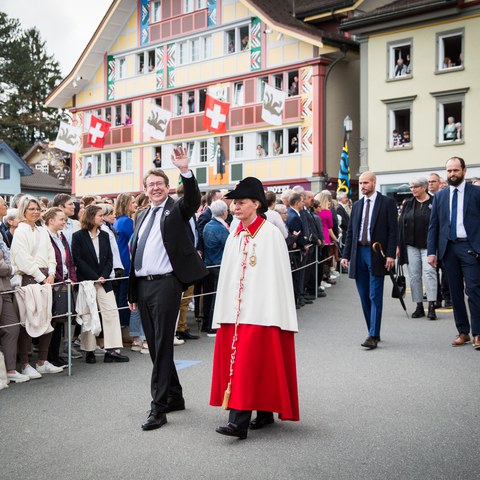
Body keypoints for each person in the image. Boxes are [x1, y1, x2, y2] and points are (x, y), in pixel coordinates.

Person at [210, 177, 299, 440]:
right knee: (245, 363)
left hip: (261, 311)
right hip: (236, 312)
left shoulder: (270, 234)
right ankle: (263, 412)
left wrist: (271, 308)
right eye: (234, 203)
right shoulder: (234, 234)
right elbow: (227, 274)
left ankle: (238, 422)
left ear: (256, 204)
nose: (235, 207)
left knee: (249, 364)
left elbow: (276, 276)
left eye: (241, 203)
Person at [128, 147, 208, 431]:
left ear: (167, 186)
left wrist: (185, 170)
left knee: (161, 346)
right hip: (143, 286)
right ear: (145, 190)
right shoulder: (141, 216)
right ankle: (174, 396)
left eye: (159, 184)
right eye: (150, 185)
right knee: (156, 348)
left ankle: (158, 407)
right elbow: (135, 255)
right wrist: (132, 292)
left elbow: (193, 199)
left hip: (166, 284)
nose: (155, 188)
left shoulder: (175, 210)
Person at [341, 172, 398, 350]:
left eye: (366, 182)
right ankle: (373, 330)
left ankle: (372, 335)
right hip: (359, 253)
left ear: (374, 182)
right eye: (361, 183)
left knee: (375, 294)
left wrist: (390, 255)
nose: (363, 186)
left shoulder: (386, 203)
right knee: (364, 295)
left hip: (376, 252)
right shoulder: (357, 205)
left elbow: (393, 231)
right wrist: (345, 255)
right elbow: (351, 231)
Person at [427, 157, 480, 349]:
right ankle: (463, 332)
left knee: (473, 290)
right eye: (449, 171)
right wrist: (431, 252)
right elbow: (434, 226)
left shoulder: (476, 193)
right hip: (448, 249)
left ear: (464, 171)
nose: (452, 174)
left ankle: (478, 333)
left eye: (456, 170)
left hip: (470, 248)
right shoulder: (441, 196)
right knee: (455, 293)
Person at [10, 196, 63, 378]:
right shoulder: (20, 231)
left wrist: (51, 274)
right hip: (28, 278)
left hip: (46, 278)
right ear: (23, 210)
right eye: (31, 208)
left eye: (37, 208)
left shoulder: (42, 231)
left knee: (47, 318)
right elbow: (22, 259)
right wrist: (41, 277)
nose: (35, 212)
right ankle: (24, 363)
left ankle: (42, 360)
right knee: (28, 320)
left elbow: (52, 255)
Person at [71, 205, 129, 364]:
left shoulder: (104, 235)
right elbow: (78, 260)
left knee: (111, 312)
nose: (102, 218)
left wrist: (103, 275)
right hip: (88, 282)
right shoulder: (78, 236)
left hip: (104, 281)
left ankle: (112, 350)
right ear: (90, 217)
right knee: (88, 314)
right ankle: (89, 350)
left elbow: (110, 258)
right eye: (99, 215)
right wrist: (95, 277)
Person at [397, 178, 436, 320]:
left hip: (428, 245)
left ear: (424, 187)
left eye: (416, 187)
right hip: (411, 244)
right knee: (414, 275)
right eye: (411, 187)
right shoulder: (408, 204)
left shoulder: (434, 202)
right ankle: (419, 305)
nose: (413, 189)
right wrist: (398, 245)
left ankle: (432, 305)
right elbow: (401, 225)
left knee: (429, 273)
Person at [44, 207, 77, 368]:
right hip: (54, 283)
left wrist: (71, 278)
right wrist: (59, 279)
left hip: (65, 282)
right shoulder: (45, 236)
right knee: (52, 320)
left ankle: (56, 355)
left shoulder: (61, 236)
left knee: (60, 320)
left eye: (65, 219)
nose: (64, 222)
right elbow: (49, 261)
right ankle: (50, 356)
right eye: (61, 219)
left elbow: (69, 261)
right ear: (51, 220)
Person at [1, 236, 29, 383]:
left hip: (4, 288)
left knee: (12, 327)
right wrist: (13, 268)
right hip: (5, 279)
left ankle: (10, 369)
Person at [202, 200, 230, 336]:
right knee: (216, 297)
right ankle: (211, 326)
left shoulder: (209, 225)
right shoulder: (219, 227)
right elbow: (229, 244)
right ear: (224, 212)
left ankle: (207, 323)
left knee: (211, 296)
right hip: (218, 264)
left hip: (210, 263)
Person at [113, 194, 137, 331]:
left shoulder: (118, 220)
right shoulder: (127, 221)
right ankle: (125, 326)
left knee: (121, 295)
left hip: (120, 260)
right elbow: (134, 240)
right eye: (132, 202)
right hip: (126, 261)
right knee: (124, 296)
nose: (135, 204)